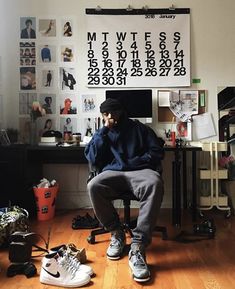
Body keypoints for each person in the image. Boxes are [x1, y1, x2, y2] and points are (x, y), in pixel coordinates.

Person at [84, 98, 164, 283]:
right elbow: (92, 158)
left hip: (140, 170)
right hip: (113, 172)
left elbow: (156, 153)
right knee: (94, 185)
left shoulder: (140, 128)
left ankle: (138, 246)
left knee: (155, 183)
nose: (111, 117)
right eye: (106, 114)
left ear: (122, 111)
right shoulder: (103, 132)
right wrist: (104, 130)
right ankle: (116, 232)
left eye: (113, 113)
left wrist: (134, 163)